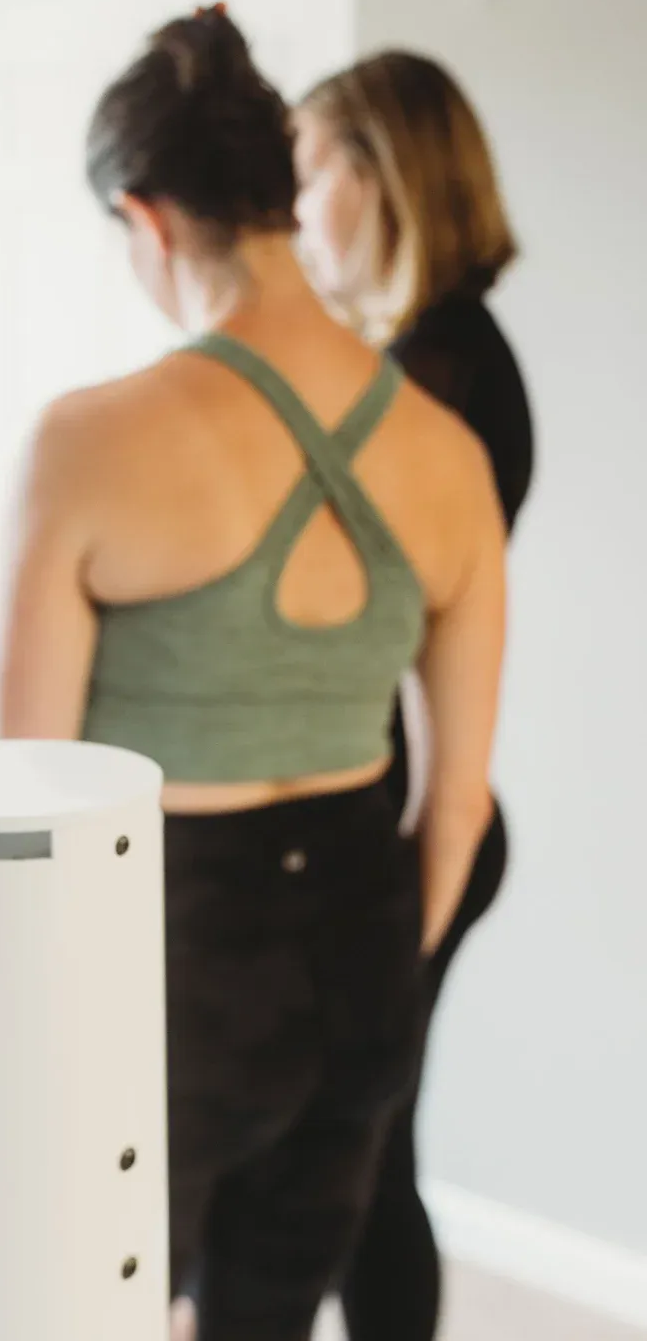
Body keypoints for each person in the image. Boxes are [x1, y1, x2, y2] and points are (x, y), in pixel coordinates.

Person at [0, 12, 506, 1340]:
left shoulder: (84, 443)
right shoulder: (447, 452)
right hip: (360, 943)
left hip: (168, 952)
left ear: (147, 220)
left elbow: (22, 801)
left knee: (86, 1309)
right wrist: (383, 956)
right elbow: (453, 810)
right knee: (264, 1318)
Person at [293, 51, 534, 1341]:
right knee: (375, 1148)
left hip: (415, 827)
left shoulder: (435, 382)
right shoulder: (427, 355)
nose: (290, 207)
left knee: (366, 1160)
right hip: (415, 810)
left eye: (309, 168)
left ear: (382, 177)